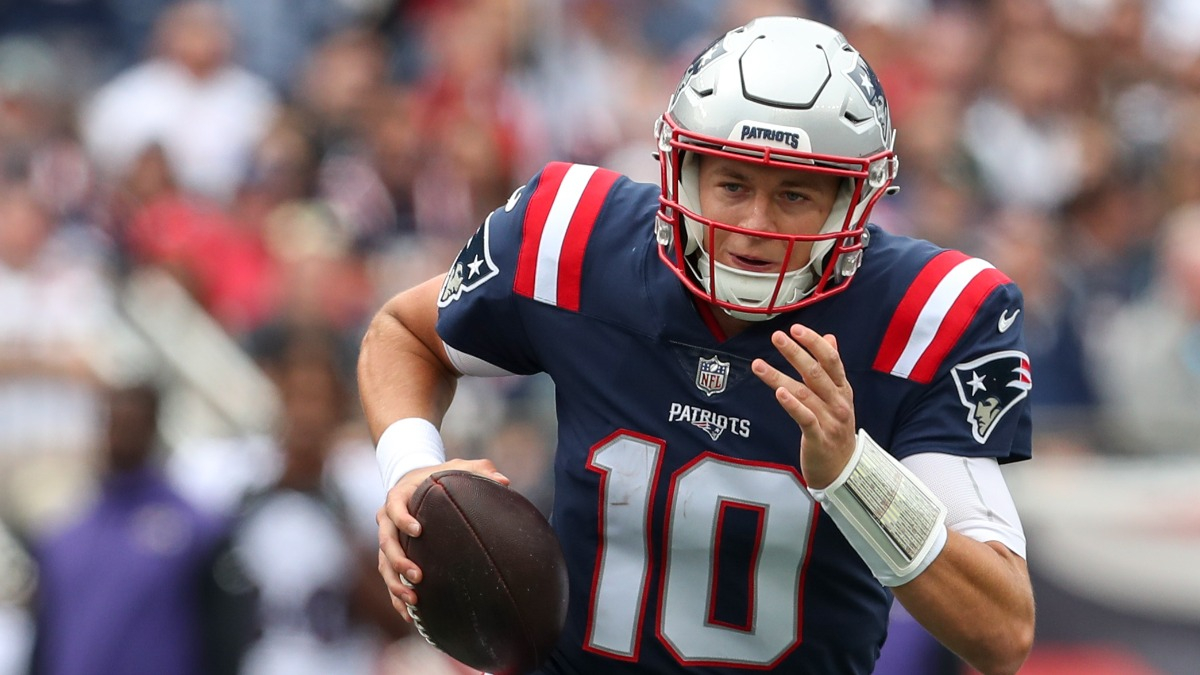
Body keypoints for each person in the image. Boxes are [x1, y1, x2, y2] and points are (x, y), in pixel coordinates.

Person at [359, 16, 1034, 675]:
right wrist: (410, 467)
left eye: (794, 194)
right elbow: (402, 333)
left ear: (853, 202)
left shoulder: (924, 315)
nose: (753, 226)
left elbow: (1003, 630)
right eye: (733, 183)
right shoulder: (578, 239)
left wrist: (853, 472)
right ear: (681, 170)